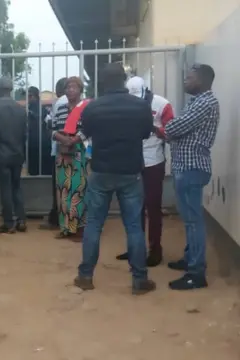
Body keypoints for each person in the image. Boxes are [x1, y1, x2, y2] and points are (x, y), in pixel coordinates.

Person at [74, 63, 157, 295]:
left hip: (100, 171)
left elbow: (86, 134)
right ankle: (139, 280)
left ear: (102, 82)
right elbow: (145, 133)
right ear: (124, 80)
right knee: (133, 227)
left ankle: (85, 276)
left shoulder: (93, 107)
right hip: (130, 172)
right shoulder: (140, 106)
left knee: (94, 225)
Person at [163, 64, 219, 290]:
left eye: (190, 78)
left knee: (193, 221)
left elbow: (174, 127)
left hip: (192, 167)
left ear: (203, 80)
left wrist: (169, 129)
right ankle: (190, 259)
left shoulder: (205, 103)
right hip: (186, 167)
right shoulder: (196, 102)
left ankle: (196, 273)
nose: (185, 81)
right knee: (189, 220)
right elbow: (175, 130)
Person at [115, 77, 175, 267]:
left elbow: (171, 130)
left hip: (153, 162)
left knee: (152, 207)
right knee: (133, 207)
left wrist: (155, 129)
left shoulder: (162, 104)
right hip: (131, 160)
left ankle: (155, 250)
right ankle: (135, 247)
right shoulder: (123, 104)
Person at [0, 77, 28, 234]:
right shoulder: (20, 109)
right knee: (17, 186)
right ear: (11, 90)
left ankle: (9, 222)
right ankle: (21, 219)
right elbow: (24, 134)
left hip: (1, 154)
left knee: (5, 188)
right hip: (17, 153)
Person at [51, 77, 89, 240]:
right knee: (63, 190)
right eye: (67, 87)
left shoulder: (86, 109)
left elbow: (88, 129)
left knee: (79, 189)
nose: (70, 90)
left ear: (80, 90)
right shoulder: (60, 109)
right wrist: (62, 139)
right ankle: (66, 227)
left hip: (79, 153)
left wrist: (74, 139)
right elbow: (52, 130)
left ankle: (79, 227)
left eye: (73, 87)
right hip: (62, 154)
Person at [39, 78, 68, 230]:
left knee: (58, 185)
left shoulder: (60, 102)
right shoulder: (69, 102)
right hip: (69, 149)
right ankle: (57, 215)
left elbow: (54, 126)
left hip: (59, 149)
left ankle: (57, 218)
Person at [27, 86, 54, 176]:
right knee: (46, 173)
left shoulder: (29, 110)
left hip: (32, 145)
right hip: (45, 145)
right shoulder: (45, 111)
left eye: (29, 96)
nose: (27, 99)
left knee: (34, 173)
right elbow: (50, 125)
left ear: (33, 96)